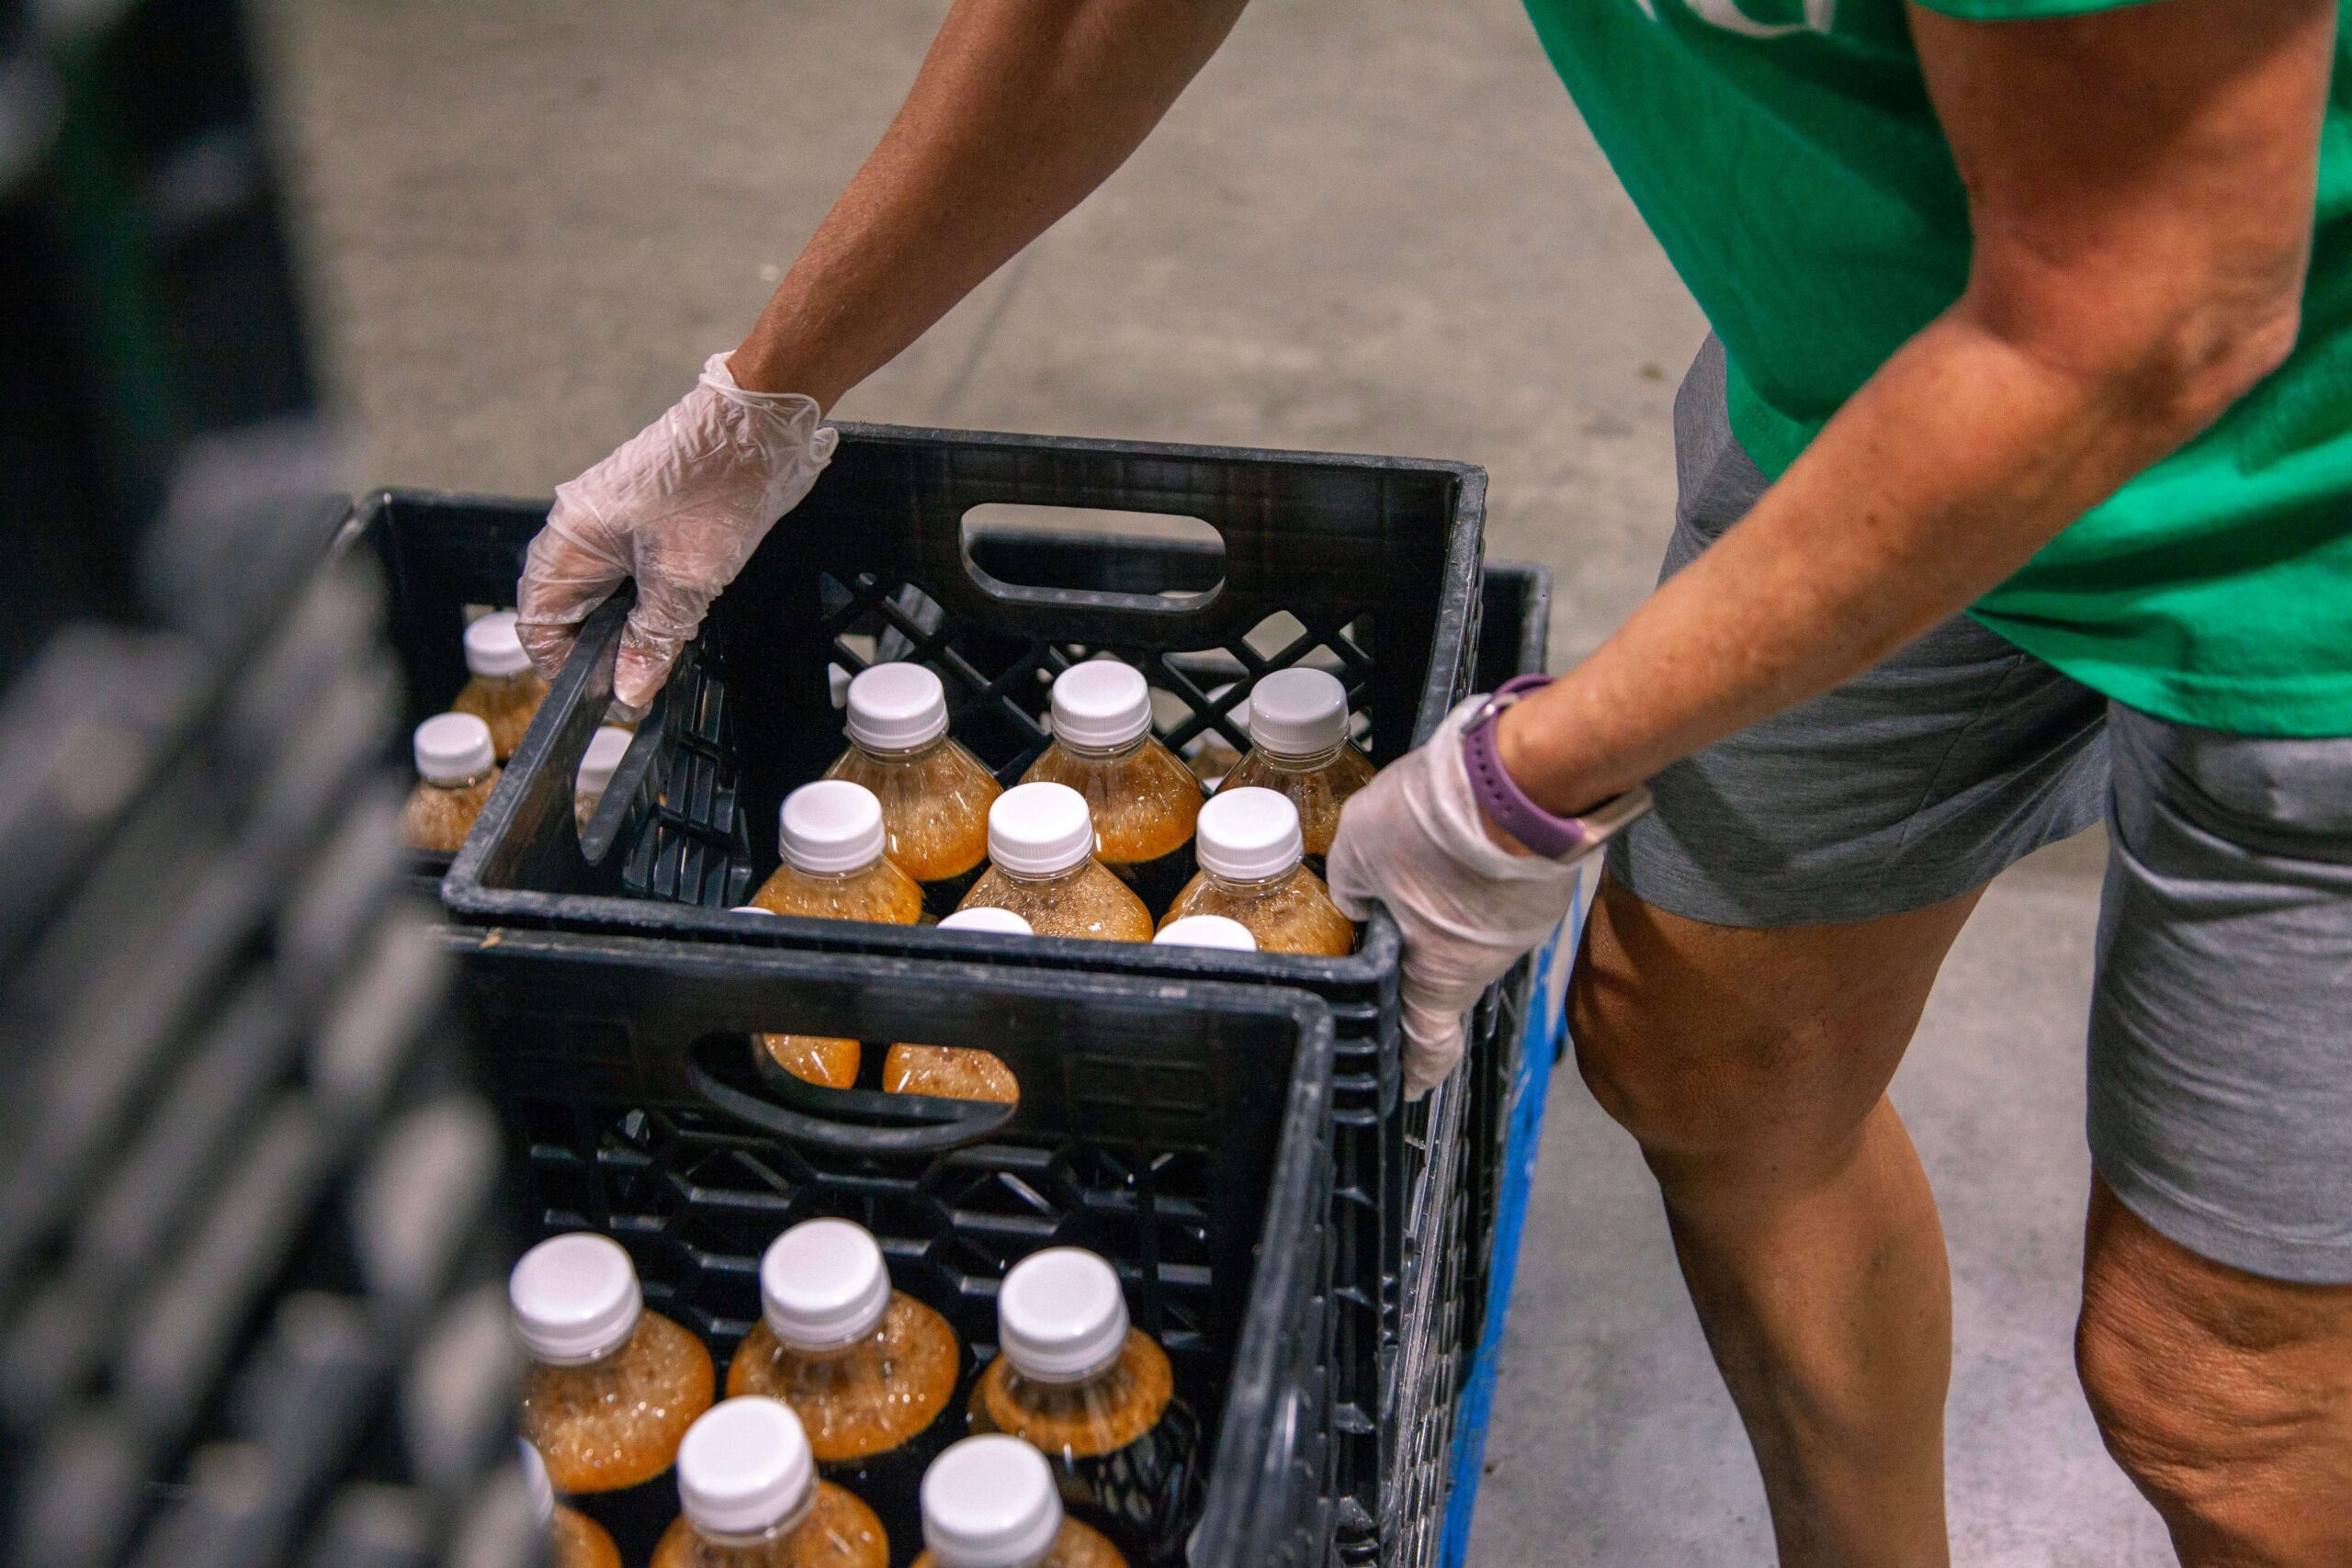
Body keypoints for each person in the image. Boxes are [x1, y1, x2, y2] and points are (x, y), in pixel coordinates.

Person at [513, 0, 2352, 1560]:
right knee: (1710, 1051)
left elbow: (2145, 313)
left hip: (2298, 508)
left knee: (2216, 1386)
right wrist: (766, 393)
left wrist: (1526, 776)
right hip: (1887, 414)